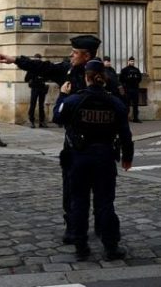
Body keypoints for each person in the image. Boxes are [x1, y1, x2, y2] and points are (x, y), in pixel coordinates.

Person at [0, 34, 101, 244]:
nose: (70, 55)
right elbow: (43, 67)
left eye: (75, 52)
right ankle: (72, 226)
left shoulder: (103, 75)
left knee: (101, 189)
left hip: (100, 142)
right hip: (74, 142)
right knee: (70, 187)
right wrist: (16, 60)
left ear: (86, 55)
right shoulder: (66, 70)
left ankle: (103, 226)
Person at [53, 58, 133, 261]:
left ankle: (81, 246)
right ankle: (111, 246)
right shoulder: (114, 102)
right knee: (105, 203)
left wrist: (62, 94)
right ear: (104, 78)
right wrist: (127, 157)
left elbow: (57, 117)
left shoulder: (74, 100)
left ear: (86, 78)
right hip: (105, 158)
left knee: (79, 203)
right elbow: (125, 133)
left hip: (79, 158)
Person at [25, 54, 49, 128]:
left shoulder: (43, 68)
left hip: (42, 88)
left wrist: (43, 79)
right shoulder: (31, 68)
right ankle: (31, 121)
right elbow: (26, 79)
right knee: (33, 104)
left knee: (41, 106)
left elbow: (47, 77)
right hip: (35, 88)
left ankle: (41, 122)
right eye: (36, 60)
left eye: (38, 60)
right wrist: (33, 78)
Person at [119, 56, 143, 123]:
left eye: (133, 61)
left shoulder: (136, 70)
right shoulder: (124, 70)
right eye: (131, 61)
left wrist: (135, 82)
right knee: (127, 105)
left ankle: (135, 118)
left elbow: (140, 78)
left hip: (135, 89)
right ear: (128, 62)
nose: (132, 62)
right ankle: (126, 118)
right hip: (127, 89)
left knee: (135, 105)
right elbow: (121, 79)